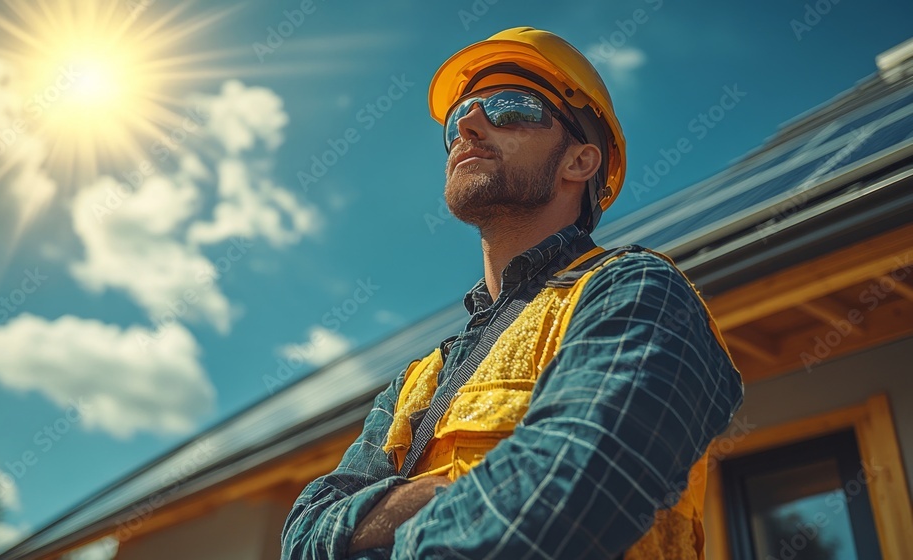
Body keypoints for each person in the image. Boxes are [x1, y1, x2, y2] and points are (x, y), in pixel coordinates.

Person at [281, 27, 744, 559]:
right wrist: (436, 494)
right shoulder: (416, 381)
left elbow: (563, 507)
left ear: (579, 162)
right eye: (460, 118)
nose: (470, 125)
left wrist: (378, 526)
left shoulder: (637, 291)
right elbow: (303, 534)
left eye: (512, 109)